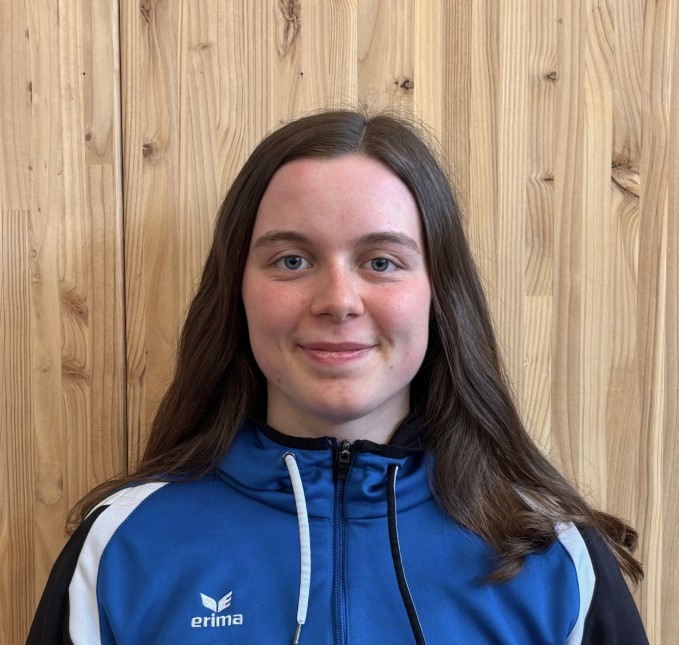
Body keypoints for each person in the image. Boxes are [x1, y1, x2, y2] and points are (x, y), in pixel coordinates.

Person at [28, 110, 648, 644]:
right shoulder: (123, 548)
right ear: (237, 291)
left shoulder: (553, 557)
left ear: (439, 294)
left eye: (382, 262)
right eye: (292, 260)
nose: (338, 301)